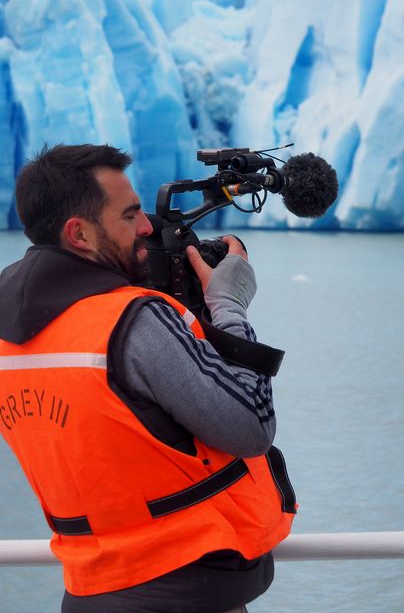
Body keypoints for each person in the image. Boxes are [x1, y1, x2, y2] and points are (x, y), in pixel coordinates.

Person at [0, 143, 296, 613]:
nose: (145, 228)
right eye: (129, 215)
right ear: (79, 234)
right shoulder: (130, 321)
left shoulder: (9, 332)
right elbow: (249, 427)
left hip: (91, 588)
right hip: (185, 584)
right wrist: (228, 306)